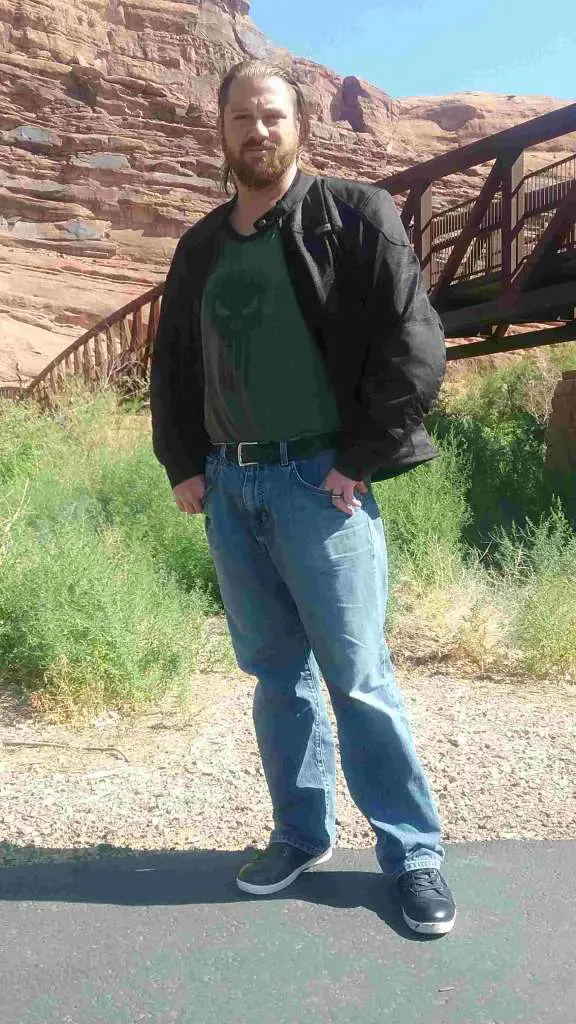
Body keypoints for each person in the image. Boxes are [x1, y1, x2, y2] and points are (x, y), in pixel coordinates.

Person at [150, 59, 456, 936]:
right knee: (275, 677)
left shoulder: (354, 213)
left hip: (320, 484)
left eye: (273, 116)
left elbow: (413, 340)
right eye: (242, 117)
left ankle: (414, 854)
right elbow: (170, 365)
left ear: (301, 125)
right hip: (233, 485)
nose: (258, 131)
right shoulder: (200, 245)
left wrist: (358, 459)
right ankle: (300, 834)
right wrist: (185, 463)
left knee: (357, 679)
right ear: (221, 131)